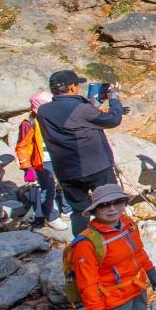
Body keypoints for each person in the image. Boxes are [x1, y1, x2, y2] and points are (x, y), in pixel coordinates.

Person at [70, 184, 156, 310]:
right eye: (105, 205)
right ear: (95, 210)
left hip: (136, 290)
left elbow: (138, 252)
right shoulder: (87, 243)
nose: (112, 208)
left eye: (117, 202)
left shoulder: (128, 224)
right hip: (113, 301)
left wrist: (152, 273)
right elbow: (87, 284)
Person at [36, 70, 124, 236]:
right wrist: (114, 99)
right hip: (95, 167)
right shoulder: (80, 109)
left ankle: (82, 246)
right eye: (77, 85)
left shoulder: (43, 111)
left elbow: (73, 123)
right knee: (110, 205)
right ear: (71, 88)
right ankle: (114, 241)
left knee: (79, 211)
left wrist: (92, 104)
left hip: (66, 171)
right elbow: (113, 120)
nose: (78, 88)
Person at [15, 91, 70, 230]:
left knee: (64, 184)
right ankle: (51, 217)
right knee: (48, 188)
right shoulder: (29, 123)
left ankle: (66, 210)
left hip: (58, 157)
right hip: (42, 161)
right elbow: (22, 146)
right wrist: (27, 167)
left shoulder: (53, 118)